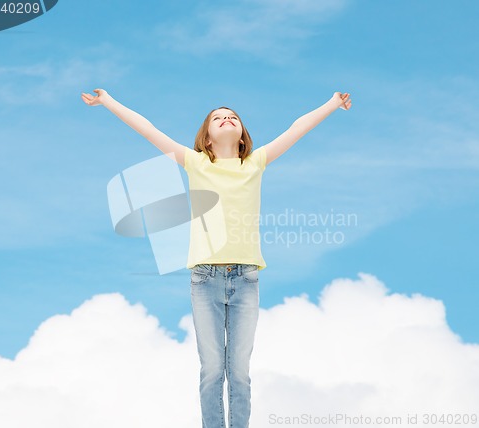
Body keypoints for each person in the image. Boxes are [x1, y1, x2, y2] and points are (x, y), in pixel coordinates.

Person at [81, 89, 352, 428]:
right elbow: (148, 129)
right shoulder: (196, 164)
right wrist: (107, 101)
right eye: (217, 117)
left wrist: (332, 103)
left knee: (239, 372)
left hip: (246, 279)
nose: (226, 118)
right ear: (207, 139)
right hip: (204, 280)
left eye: (233, 117)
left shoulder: (255, 163)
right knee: (212, 370)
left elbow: (297, 129)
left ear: (242, 138)